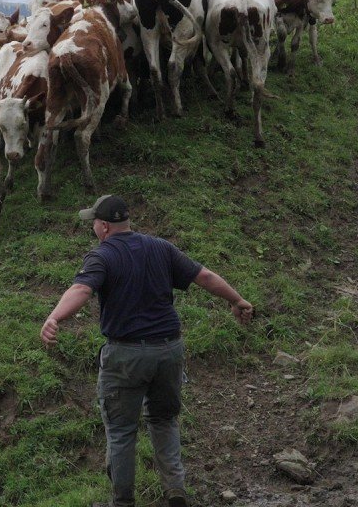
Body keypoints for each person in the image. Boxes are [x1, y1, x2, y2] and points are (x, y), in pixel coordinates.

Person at [40, 195, 254, 507]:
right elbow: (205, 277)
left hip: (126, 356)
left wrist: (54, 317)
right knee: (165, 419)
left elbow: (81, 289)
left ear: (103, 226)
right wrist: (237, 300)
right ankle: (175, 491)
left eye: (93, 223)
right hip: (169, 349)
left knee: (122, 430)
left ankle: (123, 501)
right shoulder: (161, 247)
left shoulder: (103, 255)